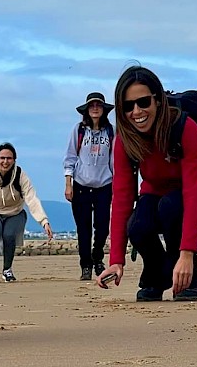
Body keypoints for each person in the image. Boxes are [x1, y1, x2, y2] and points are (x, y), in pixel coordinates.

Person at [97, 66, 197, 302]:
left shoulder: (184, 128)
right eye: (128, 106)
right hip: (159, 194)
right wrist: (116, 260)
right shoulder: (124, 141)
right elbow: (122, 199)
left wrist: (186, 254)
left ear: (157, 100)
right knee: (137, 225)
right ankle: (157, 276)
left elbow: (193, 192)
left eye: (143, 102)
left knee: (171, 207)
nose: (136, 112)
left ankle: (190, 278)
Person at [0, 142, 54, 283]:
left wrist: (44, 222)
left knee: (9, 235)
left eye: (9, 158)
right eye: (2, 158)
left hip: (15, 213)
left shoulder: (21, 176)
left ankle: (7, 270)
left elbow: (32, 199)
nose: (5, 162)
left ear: (14, 160)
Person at [63, 92, 116, 280]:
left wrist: (117, 185)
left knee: (102, 228)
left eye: (98, 105)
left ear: (103, 109)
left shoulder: (111, 131)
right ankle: (85, 265)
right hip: (81, 185)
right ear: (86, 109)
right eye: (92, 105)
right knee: (83, 229)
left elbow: (114, 161)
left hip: (104, 185)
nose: (95, 108)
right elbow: (70, 157)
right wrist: (68, 183)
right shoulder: (78, 130)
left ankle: (97, 258)